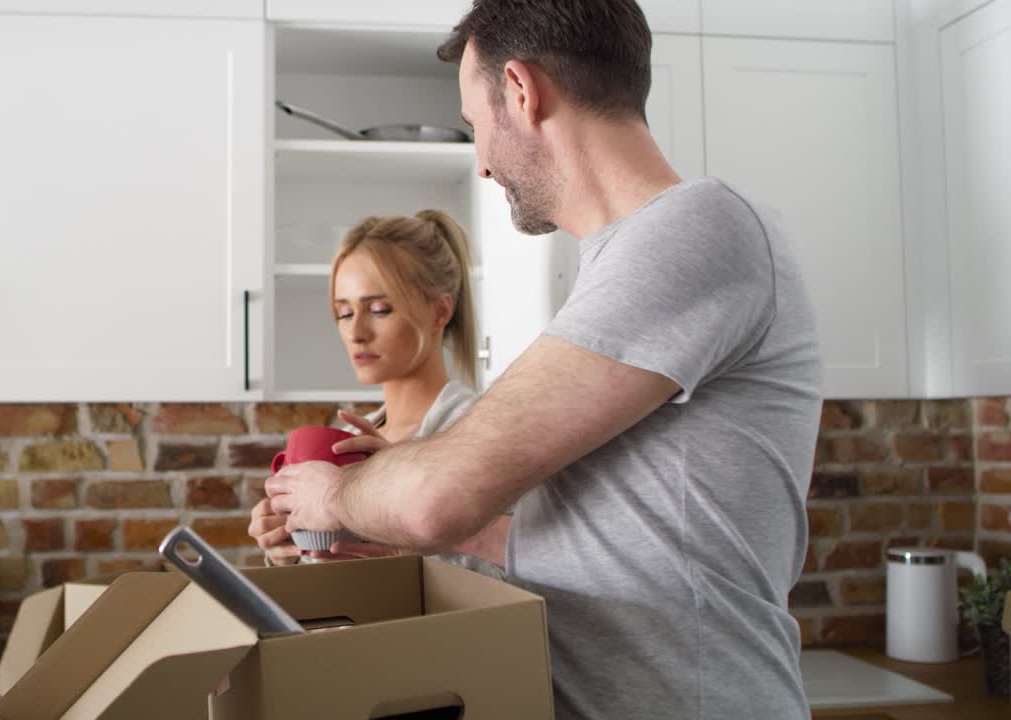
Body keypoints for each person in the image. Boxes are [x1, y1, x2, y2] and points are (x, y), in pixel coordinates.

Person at [264, 1, 823, 719]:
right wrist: (399, 524)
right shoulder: (623, 264)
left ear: (522, 93)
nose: (482, 160)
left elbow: (439, 496)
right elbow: (623, 538)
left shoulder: (696, 230)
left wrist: (335, 498)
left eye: (475, 123)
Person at [248, 209, 498, 574]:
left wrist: (404, 545)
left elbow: (516, 581)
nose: (356, 332)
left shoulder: (477, 431)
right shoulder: (350, 440)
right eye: (344, 313)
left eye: (379, 309)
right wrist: (286, 550)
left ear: (440, 311)